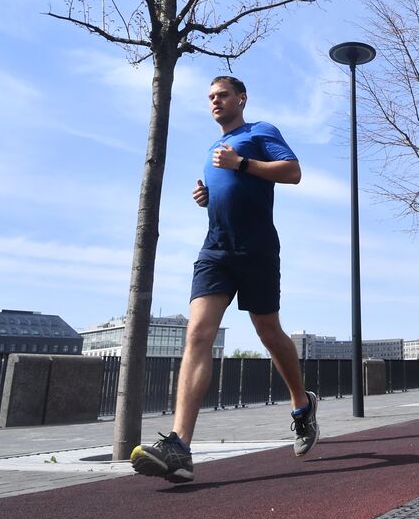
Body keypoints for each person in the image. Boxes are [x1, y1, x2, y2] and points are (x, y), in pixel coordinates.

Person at [131, 75, 318, 483]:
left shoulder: (260, 132)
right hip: (215, 250)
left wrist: (243, 164)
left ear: (241, 98)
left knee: (269, 332)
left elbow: (293, 172)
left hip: (257, 250)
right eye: (211, 97)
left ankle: (302, 404)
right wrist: (206, 198)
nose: (216, 102)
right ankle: (180, 446)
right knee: (197, 334)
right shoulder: (210, 150)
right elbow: (229, 191)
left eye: (223, 95)